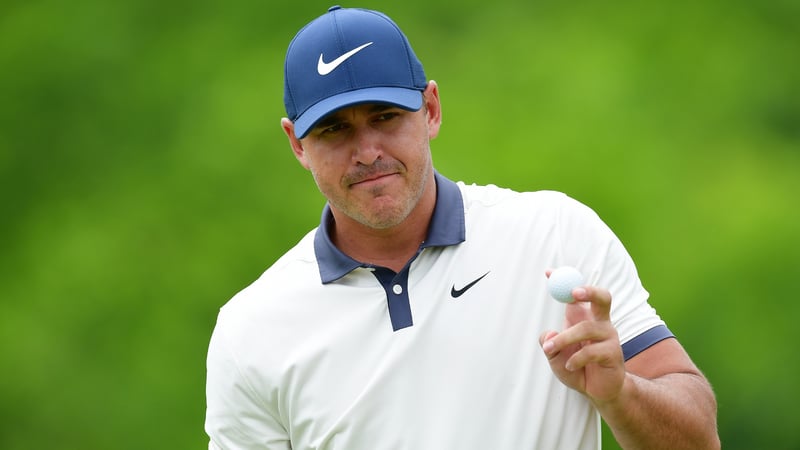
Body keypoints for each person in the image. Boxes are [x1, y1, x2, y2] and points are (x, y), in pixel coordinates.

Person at [205, 6, 720, 450]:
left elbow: (701, 440)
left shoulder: (557, 235)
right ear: (297, 144)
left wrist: (620, 394)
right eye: (334, 129)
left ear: (430, 109)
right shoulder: (251, 330)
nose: (367, 152)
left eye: (385, 117)